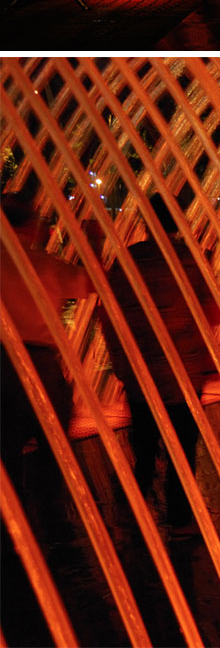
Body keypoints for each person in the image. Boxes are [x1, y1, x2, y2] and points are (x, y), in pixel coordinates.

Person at [101, 193, 220, 531]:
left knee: (144, 448)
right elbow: (213, 314)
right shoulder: (190, 260)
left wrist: (120, 362)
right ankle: (180, 521)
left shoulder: (128, 259)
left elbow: (109, 313)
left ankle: (134, 518)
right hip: (183, 374)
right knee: (183, 450)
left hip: (142, 373)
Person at [1, 194, 93, 492]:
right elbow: (92, 283)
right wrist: (94, 242)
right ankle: (52, 516)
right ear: (29, 224)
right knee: (55, 446)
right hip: (38, 365)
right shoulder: (43, 263)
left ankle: (13, 525)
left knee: (6, 449)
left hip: (2, 361)